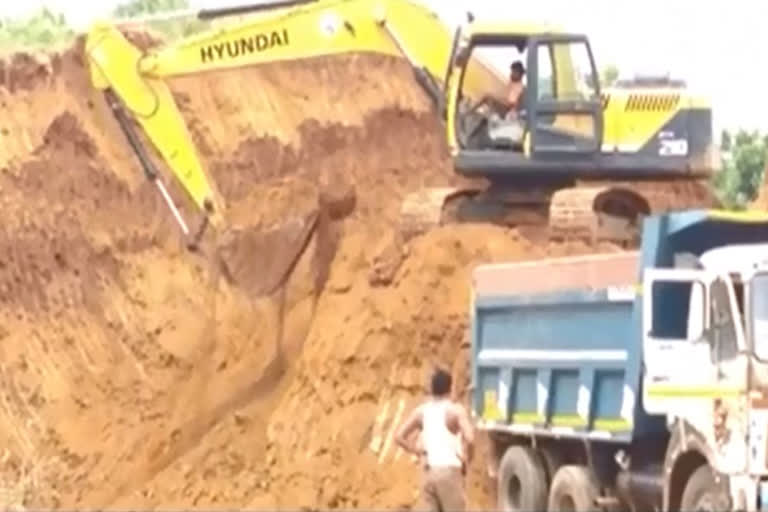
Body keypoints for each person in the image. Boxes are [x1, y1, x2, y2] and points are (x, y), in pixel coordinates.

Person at [394, 367, 475, 512]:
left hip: (428, 472)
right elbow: (470, 438)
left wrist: (417, 451)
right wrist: (467, 458)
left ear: (432, 389)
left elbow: (398, 436)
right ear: (451, 387)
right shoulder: (455, 411)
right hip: (449, 472)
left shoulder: (421, 411)